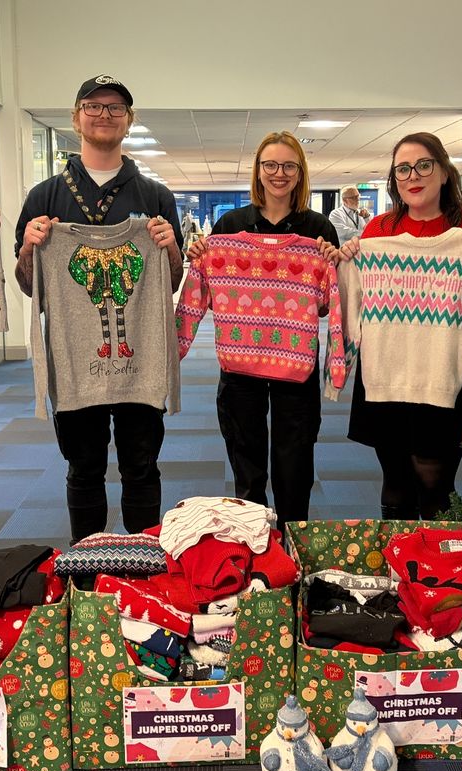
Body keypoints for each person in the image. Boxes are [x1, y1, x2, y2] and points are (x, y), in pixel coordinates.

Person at [14, 74, 183, 541]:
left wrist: (170, 250)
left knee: (141, 466)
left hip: (140, 361)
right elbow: (30, 288)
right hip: (73, 362)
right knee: (84, 467)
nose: (103, 114)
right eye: (93, 106)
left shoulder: (154, 196)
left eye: (114, 108)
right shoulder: (44, 197)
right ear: (76, 117)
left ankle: (144, 566)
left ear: (129, 121)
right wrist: (29, 250)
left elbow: (170, 282)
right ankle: (86, 571)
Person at [337, 132, 462, 521]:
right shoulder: (379, 231)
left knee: (434, 478)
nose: (413, 176)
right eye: (403, 169)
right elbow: (349, 298)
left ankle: (435, 568)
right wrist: (349, 258)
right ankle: (400, 568)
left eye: (424, 165)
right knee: (395, 477)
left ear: (445, 171)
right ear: (394, 180)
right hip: (387, 371)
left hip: (446, 371)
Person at [181, 131, 341, 527]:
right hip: (240, 368)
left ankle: (293, 547)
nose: (279, 173)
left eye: (289, 165)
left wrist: (332, 263)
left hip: (296, 367)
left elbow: (327, 305)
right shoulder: (229, 225)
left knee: (295, 469)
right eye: (270, 164)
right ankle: (255, 551)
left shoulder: (318, 230)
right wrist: (174, 348)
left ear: (300, 173)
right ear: (258, 171)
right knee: (247, 472)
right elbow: (202, 290)